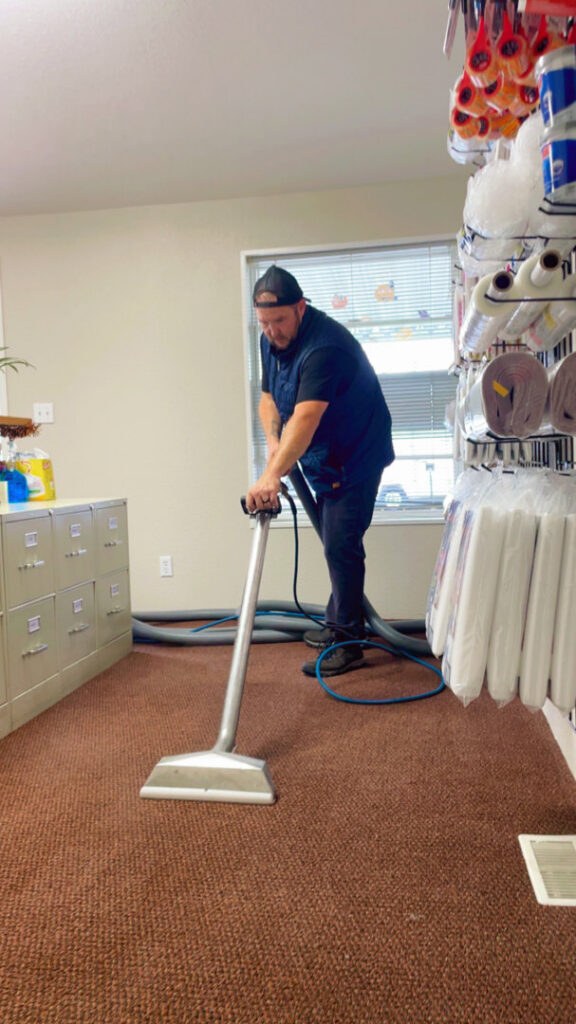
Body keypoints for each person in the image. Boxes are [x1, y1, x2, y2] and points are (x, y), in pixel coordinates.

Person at [246, 264, 394, 677]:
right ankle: (340, 623)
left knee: (340, 543)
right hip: (321, 457)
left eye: (279, 320)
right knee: (333, 540)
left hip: (356, 455)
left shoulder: (325, 347)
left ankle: (349, 641)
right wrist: (275, 449)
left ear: (300, 308)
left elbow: (307, 418)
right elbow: (268, 399)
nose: (271, 331)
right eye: (264, 322)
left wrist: (273, 475)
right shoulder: (268, 339)